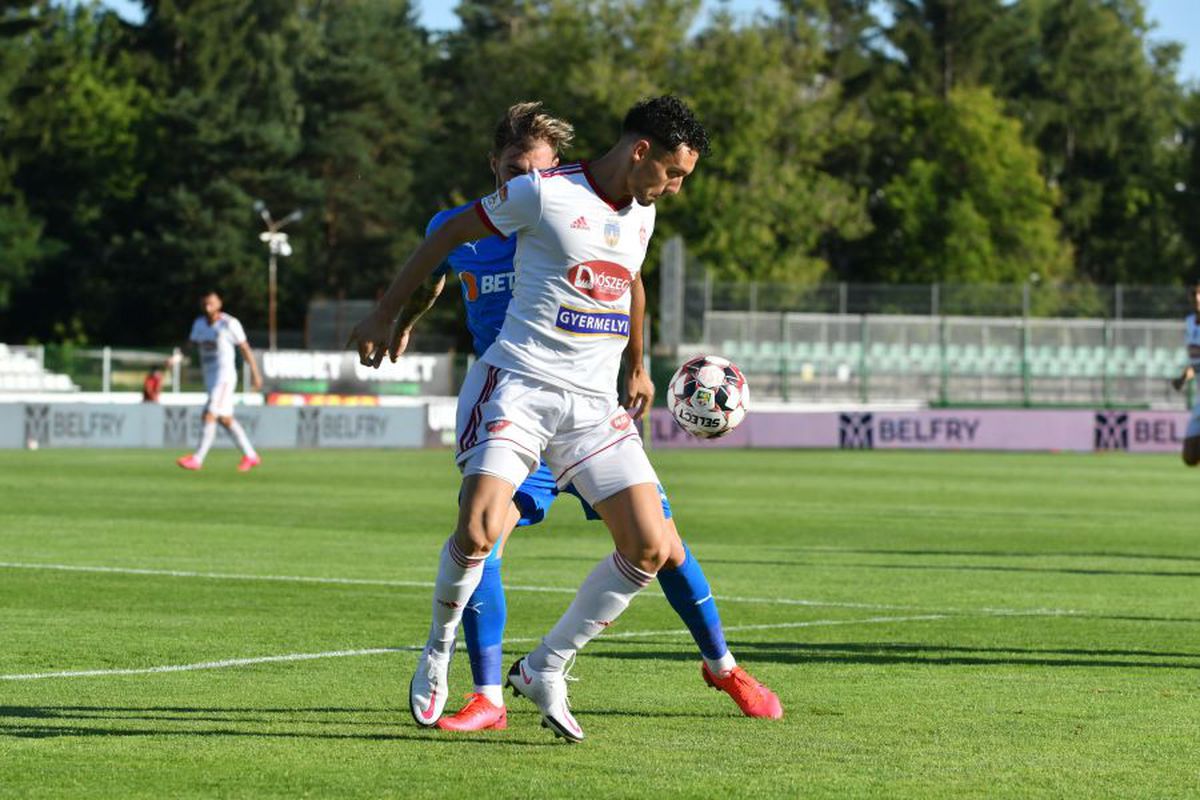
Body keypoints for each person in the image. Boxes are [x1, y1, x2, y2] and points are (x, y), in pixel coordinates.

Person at [350, 96, 772, 742]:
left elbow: (627, 280)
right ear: (640, 153)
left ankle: (547, 665)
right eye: (675, 172)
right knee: (477, 529)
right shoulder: (542, 195)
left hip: (591, 406)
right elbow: (446, 236)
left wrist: (636, 362)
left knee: (655, 545)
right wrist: (386, 316)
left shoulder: (643, 214)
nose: (678, 187)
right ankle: (439, 650)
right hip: (519, 385)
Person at [176, 290, 264, 472]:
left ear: (219, 304)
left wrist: (255, 373)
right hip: (210, 378)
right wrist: (175, 359)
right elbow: (190, 346)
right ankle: (251, 455)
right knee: (225, 419)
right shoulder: (199, 324)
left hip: (224, 377)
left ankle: (197, 459)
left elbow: (245, 348)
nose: (208, 307)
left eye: (211, 303)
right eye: (205, 303)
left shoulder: (229, 324)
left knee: (208, 414)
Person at [1172, 280, 1200, 465]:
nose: (1197, 298)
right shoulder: (1190, 322)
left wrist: (1189, 372)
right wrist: (1185, 375)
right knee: (1189, 457)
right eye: (1195, 295)